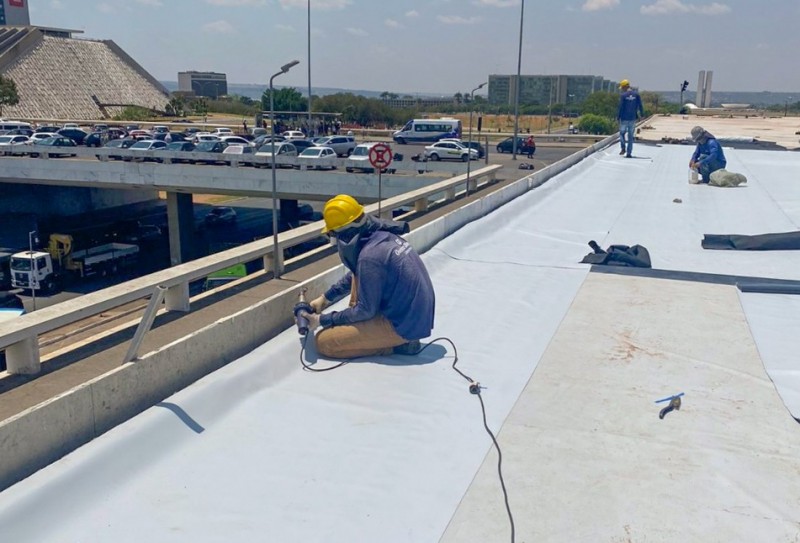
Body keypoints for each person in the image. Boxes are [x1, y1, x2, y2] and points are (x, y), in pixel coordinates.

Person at [299, 195, 436, 359]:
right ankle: (377, 334)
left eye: (332, 235)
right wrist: (325, 298)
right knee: (357, 302)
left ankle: (398, 345)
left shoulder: (370, 256)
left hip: (402, 325)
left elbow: (365, 310)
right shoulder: (380, 237)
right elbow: (359, 274)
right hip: (412, 315)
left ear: (344, 233)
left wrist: (322, 320)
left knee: (324, 342)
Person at [617, 79, 644, 158]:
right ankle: (629, 153)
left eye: (622, 87)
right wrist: (642, 115)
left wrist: (618, 117)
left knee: (622, 134)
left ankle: (623, 148)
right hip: (632, 118)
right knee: (630, 136)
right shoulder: (636, 95)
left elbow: (621, 107)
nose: (621, 89)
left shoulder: (623, 96)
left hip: (624, 118)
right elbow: (640, 106)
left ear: (625, 87)